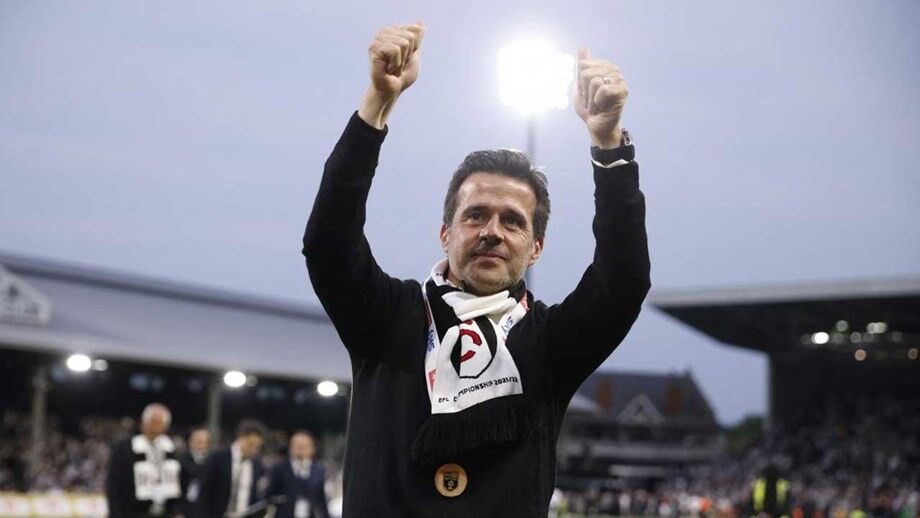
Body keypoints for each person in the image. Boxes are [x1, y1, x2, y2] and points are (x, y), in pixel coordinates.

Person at [302, 22, 649, 516]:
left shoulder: (549, 344)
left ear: (536, 249)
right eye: (476, 215)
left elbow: (624, 281)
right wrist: (376, 104)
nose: (492, 231)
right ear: (445, 233)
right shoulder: (388, 316)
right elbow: (328, 242)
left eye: (513, 221)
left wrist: (609, 143)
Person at [105, 403, 184, 517]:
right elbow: (114, 484)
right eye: (153, 422)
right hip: (132, 512)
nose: (156, 427)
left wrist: (177, 511)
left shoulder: (172, 449)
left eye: (161, 423)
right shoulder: (125, 448)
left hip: (165, 511)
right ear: (144, 423)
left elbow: (179, 483)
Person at [195, 419, 267, 518]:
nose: (254, 450)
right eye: (251, 444)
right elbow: (204, 493)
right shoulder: (217, 458)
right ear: (241, 438)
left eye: (257, 447)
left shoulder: (257, 466)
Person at [265, 431, 329, 518]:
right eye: (297, 445)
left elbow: (321, 501)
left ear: (312, 449)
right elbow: (269, 496)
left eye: (304, 446)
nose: (300, 449)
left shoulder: (318, 471)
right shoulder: (279, 468)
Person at [176, 426, 211, 517]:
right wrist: (178, 511)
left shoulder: (212, 461)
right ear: (190, 441)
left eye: (203, 441)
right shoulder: (181, 460)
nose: (200, 444)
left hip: (205, 508)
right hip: (186, 507)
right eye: (198, 440)